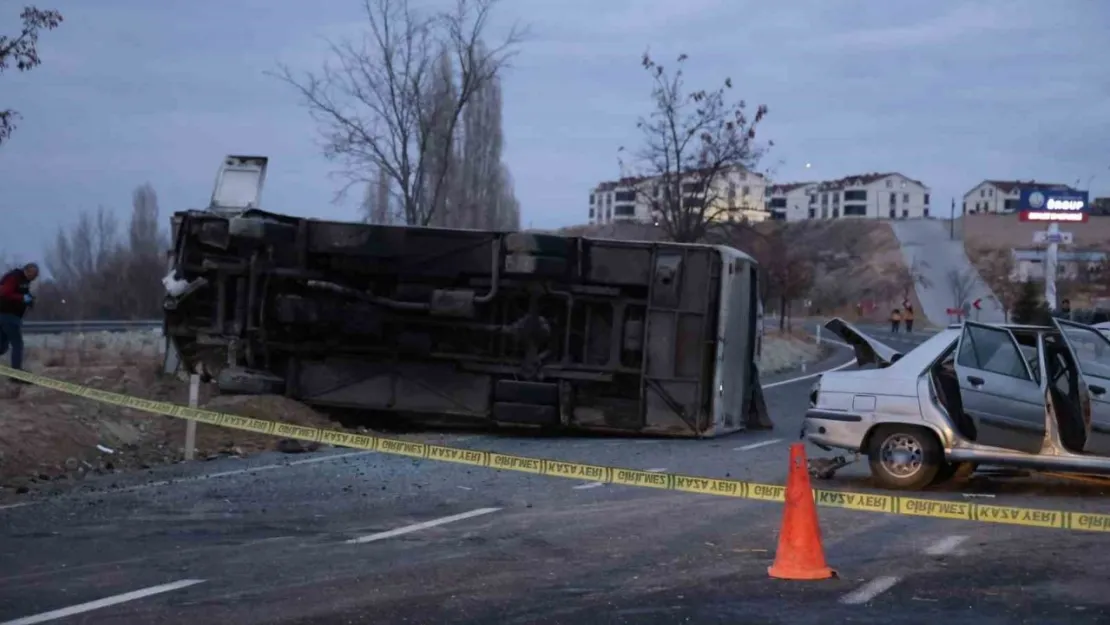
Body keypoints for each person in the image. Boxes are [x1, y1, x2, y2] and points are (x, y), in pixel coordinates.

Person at [0, 262, 40, 376]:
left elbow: (22, 293)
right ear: (27, 271)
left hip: (12, 316)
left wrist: (30, 300)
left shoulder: (25, 281)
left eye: (37, 275)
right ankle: (16, 373)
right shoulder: (14, 277)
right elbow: (4, 293)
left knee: (2, 347)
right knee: (17, 343)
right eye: (34, 274)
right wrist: (22, 297)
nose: (35, 277)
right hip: (7, 315)